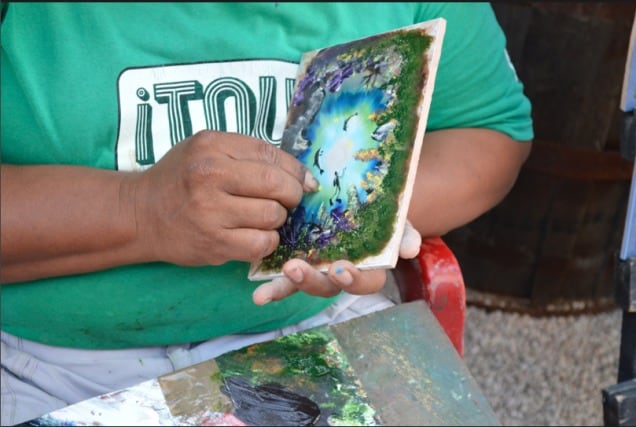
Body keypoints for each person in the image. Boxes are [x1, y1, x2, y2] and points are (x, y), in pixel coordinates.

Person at [0, 2, 533, 425]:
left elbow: (489, 131)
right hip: (42, 363)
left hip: (312, 328)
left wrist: (357, 216)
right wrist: (140, 211)